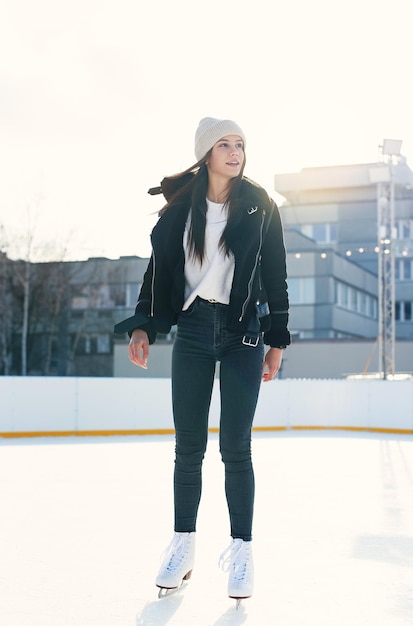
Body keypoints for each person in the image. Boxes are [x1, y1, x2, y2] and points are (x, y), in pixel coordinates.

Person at [114, 117, 291, 605]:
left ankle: (241, 551)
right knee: (187, 446)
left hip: (243, 335)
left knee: (236, 446)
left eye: (240, 145)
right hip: (192, 331)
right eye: (225, 144)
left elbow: (276, 274)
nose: (235, 152)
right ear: (205, 153)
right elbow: (158, 271)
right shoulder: (178, 212)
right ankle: (183, 543)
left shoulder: (260, 204)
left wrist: (278, 339)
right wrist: (143, 324)